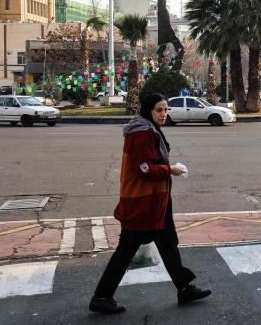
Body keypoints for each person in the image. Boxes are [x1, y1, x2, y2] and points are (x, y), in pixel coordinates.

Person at [90, 93, 211, 314]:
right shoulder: (143, 133)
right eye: (159, 110)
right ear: (148, 110)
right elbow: (144, 169)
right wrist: (170, 169)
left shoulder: (148, 128)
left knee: (168, 243)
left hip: (155, 202)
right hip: (143, 203)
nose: (163, 114)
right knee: (126, 251)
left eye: (166, 109)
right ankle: (101, 296)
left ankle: (185, 288)